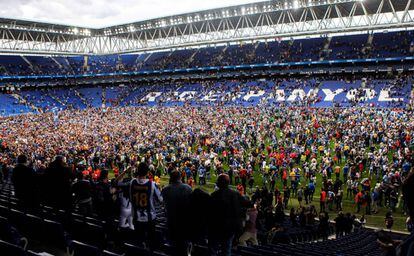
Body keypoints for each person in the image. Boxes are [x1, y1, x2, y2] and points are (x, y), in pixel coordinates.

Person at [209, 174, 248, 256]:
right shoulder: (235, 194)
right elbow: (247, 203)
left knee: (213, 250)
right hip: (229, 228)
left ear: (219, 183)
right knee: (226, 250)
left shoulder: (214, 195)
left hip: (217, 226)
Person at [130, 162, 163, 250]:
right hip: (149, 218)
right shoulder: (152, 184)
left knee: (139, 242)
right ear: (147, 172)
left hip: (136, 217)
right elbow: (160, 200)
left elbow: (130, 198)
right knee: (151, 242)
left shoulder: (132, 182)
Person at [162, 170, 193, 256]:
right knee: (183, 246)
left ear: (171, 178)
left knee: (173, 245)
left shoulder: (165, 189)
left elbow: (163, 204)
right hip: (184, 222)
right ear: (180, 177)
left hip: (171, 221)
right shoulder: (188, 188)